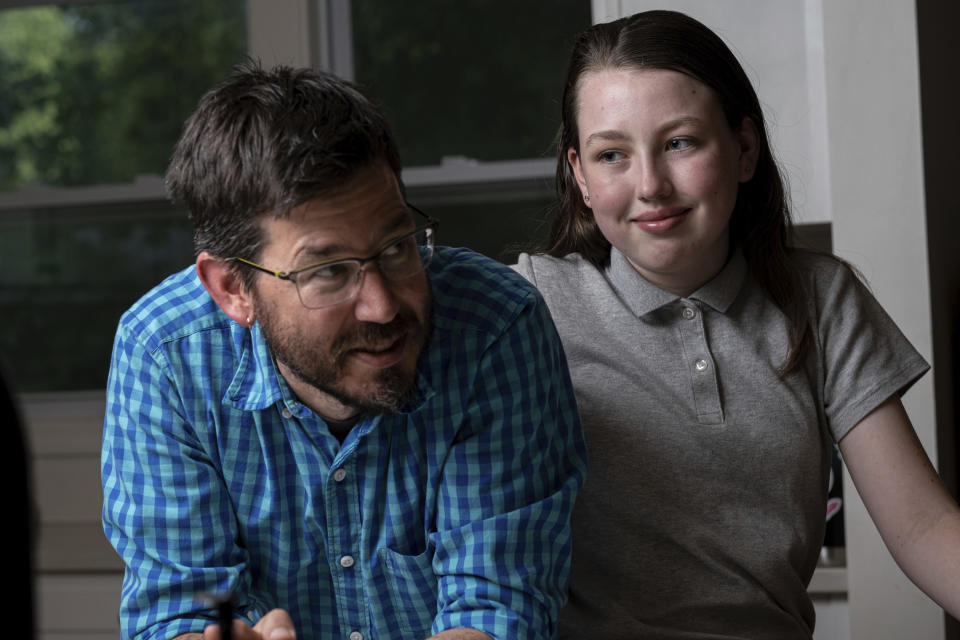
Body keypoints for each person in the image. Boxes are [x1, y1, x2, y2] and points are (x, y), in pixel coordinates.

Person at [513, 9, 960, 639]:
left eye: (680, 143)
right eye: (612, 154)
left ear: (744, 149)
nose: (650, 185)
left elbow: (921, 526)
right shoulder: (532, 304)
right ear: (580, 177)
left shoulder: (820, 297)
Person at [101, 62, 587, 640]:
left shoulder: (495, 327)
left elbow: (497, 606)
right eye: (328, 272)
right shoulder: (165, 355)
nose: (382, 306)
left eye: (397, 245)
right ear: (233, 289)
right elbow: (179, 610)